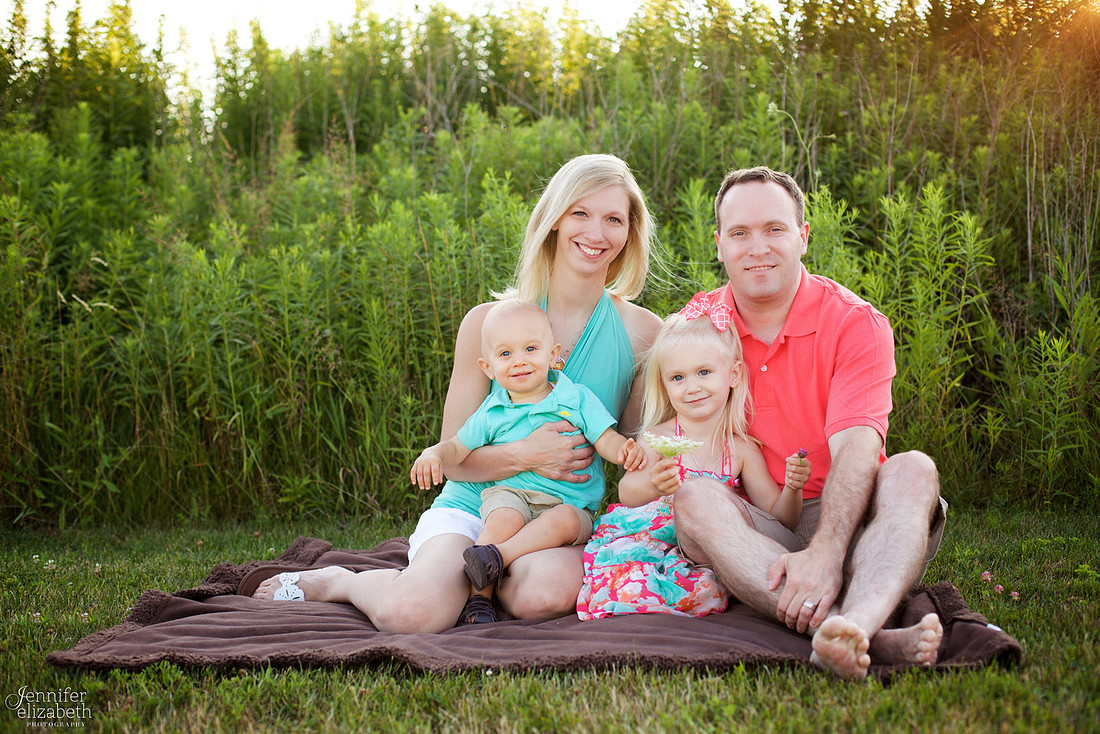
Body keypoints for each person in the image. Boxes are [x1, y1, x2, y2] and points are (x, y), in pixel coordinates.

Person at [252, 153, 662, 633]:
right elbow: (452, 459)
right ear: (553, 219)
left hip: (557, 518)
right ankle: (342, 582)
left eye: (613, 219)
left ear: (629, 233)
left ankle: (480, 583)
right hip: (473, 504)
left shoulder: (642, 334)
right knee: (412, 615)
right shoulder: (485, 324)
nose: (596, 233)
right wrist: (528, 454)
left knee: (541, 596)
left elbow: (634, 458)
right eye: (580, 213)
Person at [671, 166, 948, 679]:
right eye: (739, 233)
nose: (758, 248)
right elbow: (674, 430)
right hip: (753, 529)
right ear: (719, 244)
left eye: (774, 229)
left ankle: (854, 624)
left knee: (914, 469)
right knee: (692, 500)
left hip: (855, 519)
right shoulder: (701, 323)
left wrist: (827, 549)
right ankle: (858, 635)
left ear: (802, 236)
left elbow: (857, 448)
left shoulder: (853, 322)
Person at [410, 298, 647, 624]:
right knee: (501, 517)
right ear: (488, 367)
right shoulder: (494, 411)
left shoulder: (575, 397)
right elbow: (458, 447)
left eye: (530, 349)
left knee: (564, 519)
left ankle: (497, 556)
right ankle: (480, 600)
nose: (519, 361)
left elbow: (604, 438)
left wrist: (624, 450)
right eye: (506, 354)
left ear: (553, 355)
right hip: (515, 496)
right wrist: (435, 452)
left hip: (568, 503)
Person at [578, 304, 810, 619]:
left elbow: (781, 517)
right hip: (651, 539)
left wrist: (793, 488)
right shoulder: (660, 437)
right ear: (665, 383)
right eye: (678, 377)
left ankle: (662, 608)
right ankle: (641, 603)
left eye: (704, 372)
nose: (692, 387)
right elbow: (627, 492)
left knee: (709, 589)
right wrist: (652, 483)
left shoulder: (739, 450)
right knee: (630, 575)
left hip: (701, 553)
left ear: (734, 374)